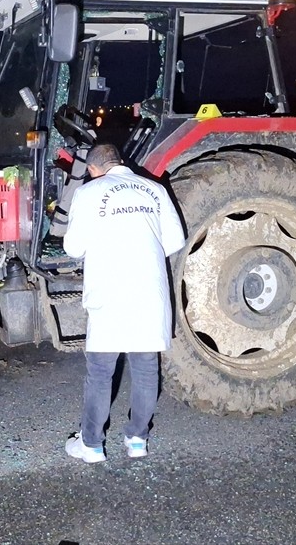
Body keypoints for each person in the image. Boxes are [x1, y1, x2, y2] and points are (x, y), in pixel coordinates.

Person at [60, 143, 186, 462]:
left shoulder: (89, 192)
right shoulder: (154, 189)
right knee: (145, 368)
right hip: (148, 293)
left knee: (101, 371)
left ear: (92, 169)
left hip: (111, 292)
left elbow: (73, 248)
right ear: (120, 162)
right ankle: (137, 440)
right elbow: (174, 241)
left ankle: (91, 444)